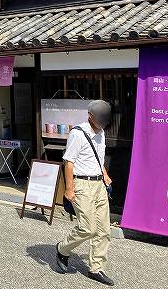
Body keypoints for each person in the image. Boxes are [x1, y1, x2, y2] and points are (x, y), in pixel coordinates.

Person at [56, 100, 114, 286]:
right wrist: (69, 189)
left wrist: (104, 174)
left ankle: (96, 268)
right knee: (88, 228)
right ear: (90, 116)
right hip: (82, 184)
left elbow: (99, 157)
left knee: (104, 229)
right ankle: (62, 249)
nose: (104, 122)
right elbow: (69, 162)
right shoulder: (77, 134)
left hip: (98, 184)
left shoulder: (102, 133)